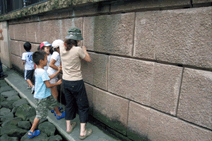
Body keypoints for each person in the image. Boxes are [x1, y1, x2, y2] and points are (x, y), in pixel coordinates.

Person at [60, 27, 92, 140]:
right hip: (76, 81)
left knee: (69, 104)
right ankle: (83, 132)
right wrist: (85, 50)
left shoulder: (62, 48)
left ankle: (68, 127)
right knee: (82, 106)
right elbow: (88, 59)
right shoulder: (78, 49)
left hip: (65, 81)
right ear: (77, 40)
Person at [27, 51, 64, 138]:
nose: (47, 61)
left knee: (54, 102)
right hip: (41, 97)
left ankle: (58, 114)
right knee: (40, 114)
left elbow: (48, 78)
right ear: (41, 61)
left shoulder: (38, 70)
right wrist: (57, 83)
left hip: (45, 94)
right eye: (46, 59)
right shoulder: (42, 72)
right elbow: (48, 84)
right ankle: (31, 131)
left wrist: (57, 71)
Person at [47, 39, 63, 116]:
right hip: (52, 76)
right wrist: (58, 69)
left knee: (53, 94)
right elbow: (51, 64)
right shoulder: (56, 54)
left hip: (52, 75)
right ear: (57, 48)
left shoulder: (55, 53)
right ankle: (58, 113)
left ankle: (54, 108)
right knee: (55, 95)